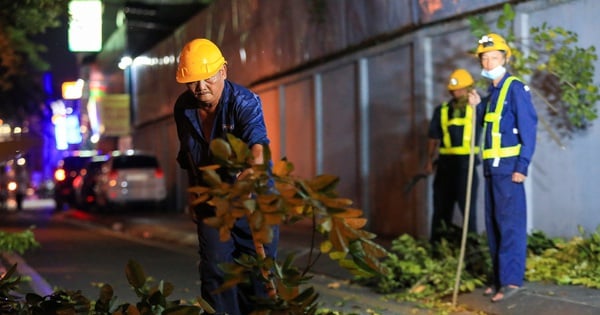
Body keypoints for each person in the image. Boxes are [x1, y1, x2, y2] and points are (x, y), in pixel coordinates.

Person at [173, 38, 279, 315]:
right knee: (215, 272)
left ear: (223, 71)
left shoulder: (244, 101)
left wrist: (252, 171)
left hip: (252, 201)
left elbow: (259, 146)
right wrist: (194, 197)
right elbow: (188, 158)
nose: (200, 87)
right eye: (193, 81)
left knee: (255, 276)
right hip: (212, 200)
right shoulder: (183, 108)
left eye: (207, 78)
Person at [467, 33, 538, 303]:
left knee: (510, 226)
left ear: (505, 59)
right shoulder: (492, 93)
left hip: (510, 170)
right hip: (492, 169)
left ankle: (510, 281)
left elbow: (529, 129)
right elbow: (489, 126)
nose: (488, 62)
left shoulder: (515, 88)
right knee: (494, 226)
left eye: (493, 57)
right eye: (484, 58)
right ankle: (497, 277)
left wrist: (523, 165)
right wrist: (477, 106)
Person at [425, 68, 481, 244]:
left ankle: (471, 254)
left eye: (460, 89)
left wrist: (477, 104)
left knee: (468, 214)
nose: (456, 92)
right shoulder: (442, 110)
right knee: (441, 211)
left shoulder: (478, 108)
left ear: (470, 88)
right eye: (453, 90)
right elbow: (433, 138)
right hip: (445, 167)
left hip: (466, 167)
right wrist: (429, 161)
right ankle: (438, 250)